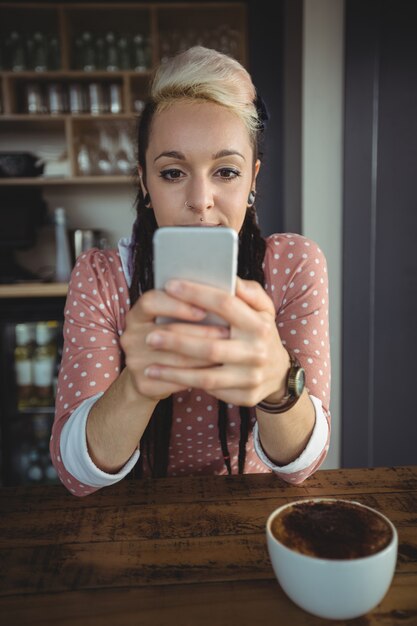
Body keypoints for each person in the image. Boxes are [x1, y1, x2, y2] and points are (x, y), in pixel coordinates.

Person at [50, 46, 331, 497]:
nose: (201, 200)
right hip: (128, 518)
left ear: (252, 179)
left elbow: (300, 468)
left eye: (225, 171)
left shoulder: (293, 266)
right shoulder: (102, 278)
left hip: (251, 514)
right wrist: (138, 384)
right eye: (174, 172)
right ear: (144, 181)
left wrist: (279, 383)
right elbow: (75, 475)